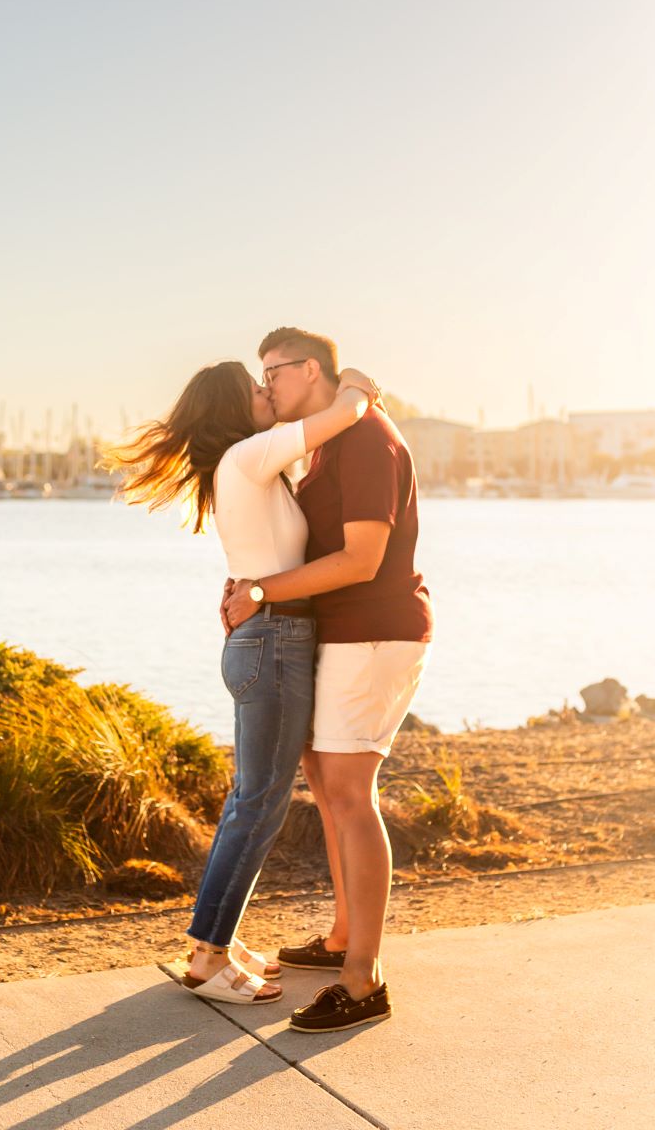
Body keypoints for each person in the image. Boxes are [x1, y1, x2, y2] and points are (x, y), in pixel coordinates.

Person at [102, 358, 375, 1005]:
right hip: (274, 644)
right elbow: (346, 413)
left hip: (269, 640)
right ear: (234, 407)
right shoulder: (250, 455)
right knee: (258, 804)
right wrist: (359, 382)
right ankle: (208, 956)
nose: (266, 392)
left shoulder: (252, 465)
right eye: (256, 388)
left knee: (251, 801)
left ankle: (213, 940)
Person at [224, 327, 433, 1032]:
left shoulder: (367, 437)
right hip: (340, 635)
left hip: (375, 631)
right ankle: (343, 937)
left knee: (348, 794)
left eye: (274, 374)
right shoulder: (330, 440)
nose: (268, 388)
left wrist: (263, 592)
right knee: (329, 784)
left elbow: (361, 559)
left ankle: (363, 977)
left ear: (309, 370)